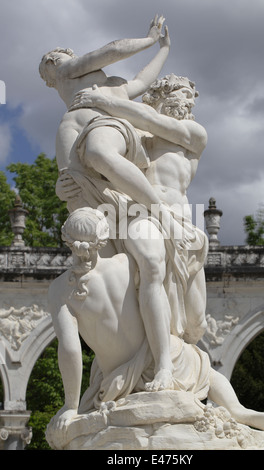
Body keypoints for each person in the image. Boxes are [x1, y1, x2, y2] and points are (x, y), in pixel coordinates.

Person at [43, 21, 192, 392]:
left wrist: (154, 43)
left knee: (151, 262)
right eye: (50, 62)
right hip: (95, 200)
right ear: (49, 79)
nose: (55, 61)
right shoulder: (69, 109)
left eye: (59, 57)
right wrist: (64, 189)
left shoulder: (100, 85)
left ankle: (164, 368)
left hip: (112, 148)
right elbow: (140, 81)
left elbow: (113, 53)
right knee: (120, 278)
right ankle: (130, 366)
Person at [47, 207, 264, 435]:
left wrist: (71, 406)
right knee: (201, 365)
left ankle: (236, 409)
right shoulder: (124, 263)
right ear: (103, 237)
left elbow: (70, 349)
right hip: (161, 354)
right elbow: (153, 293)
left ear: (67, 239)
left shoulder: (59, 290)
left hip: (118, 379)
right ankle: (237, 409)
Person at [67, 73, 209, 345]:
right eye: (182, 93)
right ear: (159, 95)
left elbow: (152, 120)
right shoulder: (133, 135)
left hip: (183, 226)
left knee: (196, 325)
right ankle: (155, 359)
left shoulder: (194, 134)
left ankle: (183, 365)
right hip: (139, 215)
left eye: (191, 96)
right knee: (146, 277)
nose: (190, 101)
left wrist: (101, 99)